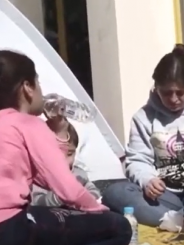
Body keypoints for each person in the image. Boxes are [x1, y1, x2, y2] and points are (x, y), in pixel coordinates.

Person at [0, 50, 132, 245]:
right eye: (38, 82)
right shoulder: (27, 124)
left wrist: (60, 131)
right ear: (27, 87)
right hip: (10, 228)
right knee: (119, 227)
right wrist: (98, 211)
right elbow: (67, 188)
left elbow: (43, 176)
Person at [102, 44, 184, 231]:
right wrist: (148, 180)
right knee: (115, 193)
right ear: (156, 88)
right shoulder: (143, 117)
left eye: (180, 93)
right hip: (166, 197)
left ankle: (181, 219)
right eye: (166, 93)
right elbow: (137, 160)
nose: (174, 99)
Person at [32, 121, 101, 206]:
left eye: (69, 154)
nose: (64, 161)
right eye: (56, 154)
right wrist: (61, 197)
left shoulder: (79, 175)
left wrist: (86, 198)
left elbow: (94, 191)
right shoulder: (37, 177)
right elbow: (36, 201)